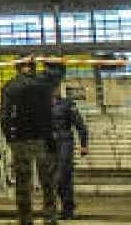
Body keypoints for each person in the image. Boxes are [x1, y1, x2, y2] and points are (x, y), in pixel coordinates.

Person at [0, 54, 65, 225]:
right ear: (34, 66)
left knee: (22, 184)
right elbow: (59, 69)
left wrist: (9, 138)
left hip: (20, 139)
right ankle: (50, 219)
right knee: (48, 182)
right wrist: (46, 59)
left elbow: (4, 116)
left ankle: (25, 220)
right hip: (45, 139)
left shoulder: (10, 86)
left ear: (17, 67)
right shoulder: (45, 83)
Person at [52, 88, 89, 220]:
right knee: (52, 179)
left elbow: (80, 125)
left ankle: (68, 209)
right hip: (49, 145)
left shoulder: (67, 104)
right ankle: (58, 208)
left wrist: (84, 145)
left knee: (64, 176)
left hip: (64, 143)